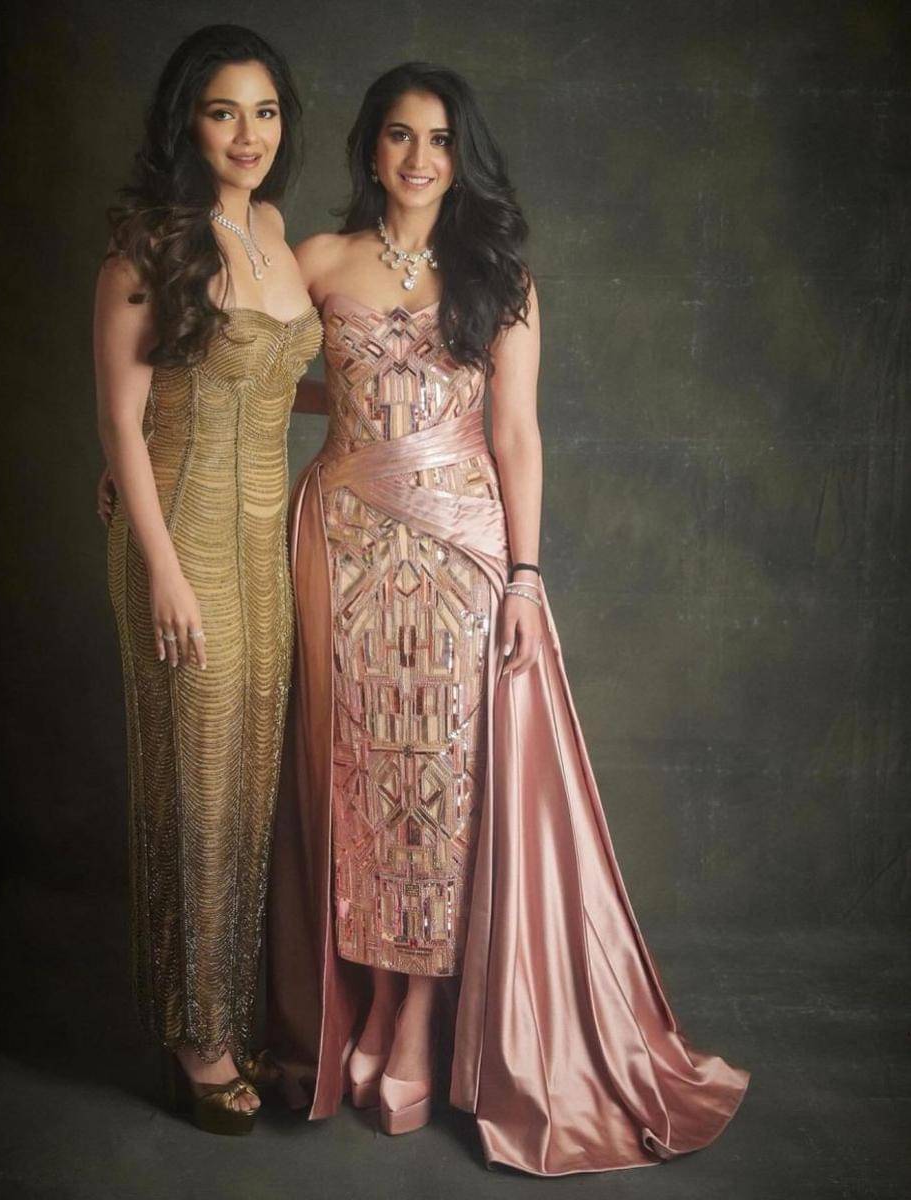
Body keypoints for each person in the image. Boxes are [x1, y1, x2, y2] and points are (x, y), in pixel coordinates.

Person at [264, 62, 750, 1174]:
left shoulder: (500, 275)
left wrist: (526, 578)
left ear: (461, 154)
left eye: (439, 139)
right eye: (400, 135)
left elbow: (517, 433)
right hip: (342, 546)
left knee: (443, 780)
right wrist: (157, 448)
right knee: (360, 776)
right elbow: (254, 376)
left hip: (462, 553)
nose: (419, 158)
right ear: (370, 146)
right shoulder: (318, 260)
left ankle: (417, 1019)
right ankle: (372, 1001)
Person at [94, 24, 321, 1136]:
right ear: (188, 121)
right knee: (195, 785)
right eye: (224, 111)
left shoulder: (274, 230)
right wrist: (163, 572)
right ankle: (194, 1042)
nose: (248, 134)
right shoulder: (148, 244)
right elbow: (120, 424)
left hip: (267, 547)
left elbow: (273, 377)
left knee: (247, 780)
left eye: (265, 112)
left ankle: (229, 1011)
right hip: (179, 538)